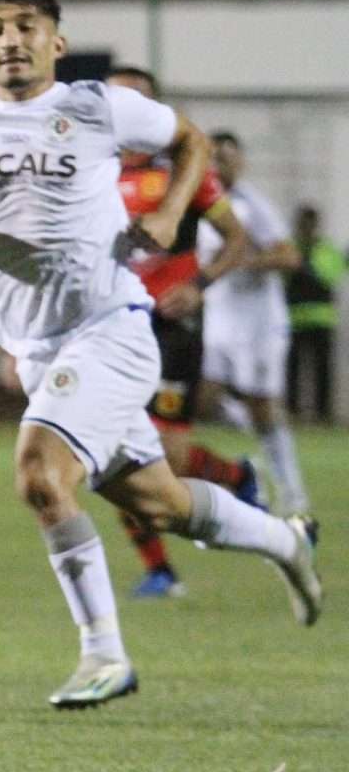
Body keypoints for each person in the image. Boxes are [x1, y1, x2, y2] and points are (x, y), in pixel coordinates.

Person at [0, 0, 320, 710]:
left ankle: (105, 655)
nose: (11, 40)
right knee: (159, 503)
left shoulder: (96, 106)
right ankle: (284, 542)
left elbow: (190, 140)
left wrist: (170, 214)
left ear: (56, 43)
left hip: (110, 329)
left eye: (26, 26)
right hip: (40, 351)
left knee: (39, 475)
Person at [106, 66, 259, 600]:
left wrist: (199, 286)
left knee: (168, 457)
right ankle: (159, 570)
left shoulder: (184, 170)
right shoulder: (87, 169)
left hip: (173, 326)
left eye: (137, 99)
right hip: (110, 329)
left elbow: (236, 238)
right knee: (112, 453)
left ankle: (235, 477)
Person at [197, 132, 310, 514]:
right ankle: (242, 471)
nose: (219, 166)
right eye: (213, 158)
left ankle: (291, 490)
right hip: (218, 320)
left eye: (226, 158)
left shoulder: (252, 206)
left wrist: (242, 261)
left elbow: (290, 257)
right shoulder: (200, 203)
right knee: (200, 398)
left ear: (240, 163)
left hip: (258, 325)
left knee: (262, 409)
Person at [285, 205, 341, 422]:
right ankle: (293, 410)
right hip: (294, 318)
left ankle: (322, 412)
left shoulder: (326, 249)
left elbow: (329, 276)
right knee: (293, 369)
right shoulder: (289, 247)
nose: (306, 227)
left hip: (320, 318)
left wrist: (305, 266)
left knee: (322, 369)